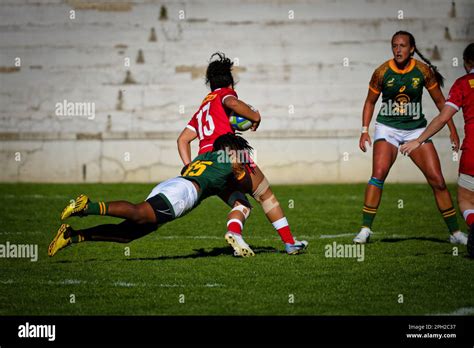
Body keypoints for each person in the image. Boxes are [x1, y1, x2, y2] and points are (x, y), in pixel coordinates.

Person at [177, 52, 307, 254]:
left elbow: (182, 139)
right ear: (230, 82)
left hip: (207, 164)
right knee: (264, 195)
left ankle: (235, 233)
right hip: (228, 153)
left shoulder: (202, 107)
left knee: (241, 204)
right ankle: (290, 243)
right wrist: (255, 116)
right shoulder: (224, 95)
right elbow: (233, 104)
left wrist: (188, 166)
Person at [48, 133, 258, 258]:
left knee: (126, 235)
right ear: (231, 150)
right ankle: (87, 207)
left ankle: (72, 236)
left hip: (173, 185)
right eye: (239, 152)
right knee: (139, 213)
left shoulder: (205, 157)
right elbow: (243, 177)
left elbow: (215, 181)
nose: (242, 158)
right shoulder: (228, 158)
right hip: (182, 194)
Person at [353, 31, 466, 245]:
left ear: (412, 48)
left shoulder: (423, 71)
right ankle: (365, 230)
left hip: (416, 131)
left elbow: (442, 104)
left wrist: (452, 130)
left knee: (438, 181)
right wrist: (364, 130)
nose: (398, 50)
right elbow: (370, 102)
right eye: (394, 45)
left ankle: (455, 234)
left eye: (402, 45)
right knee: (378, 174)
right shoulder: (382, 72)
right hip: (388, 128)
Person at [400, 43, 474, 257]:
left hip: (472, 152)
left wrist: (418, 140)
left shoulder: (462, 84)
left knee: (466, 199)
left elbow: (443, 117)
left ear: (467, 63)